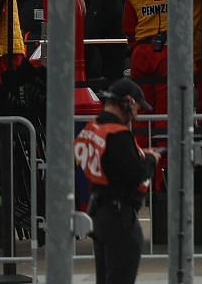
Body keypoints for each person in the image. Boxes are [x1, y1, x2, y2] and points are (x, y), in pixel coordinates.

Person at [75, 78, 157, 284]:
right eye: (137, 108)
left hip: (99, 212)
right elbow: (135, 174)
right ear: (127, 103)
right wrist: (150, 159)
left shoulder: (93, 127)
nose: (137, 114)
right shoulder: (117, 134)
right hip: (119, 216)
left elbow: (104, 160)